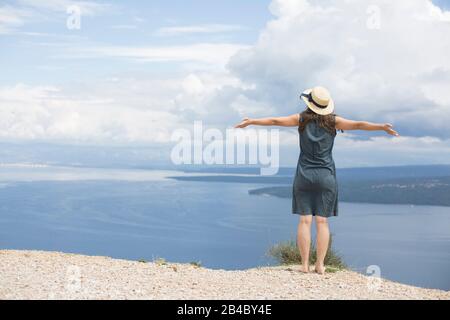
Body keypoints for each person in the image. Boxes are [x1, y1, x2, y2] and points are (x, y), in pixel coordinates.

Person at [234, 86, 399, 274]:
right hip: (326, 176)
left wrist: (252, 121)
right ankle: (320, 265)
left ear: (310, 103)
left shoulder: (300, 119)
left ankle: (304, 265)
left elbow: (274, 120)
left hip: (304, 175)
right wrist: (382, 127)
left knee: (304, 221)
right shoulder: (334, 122)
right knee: (322, 222)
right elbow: (359, 125)